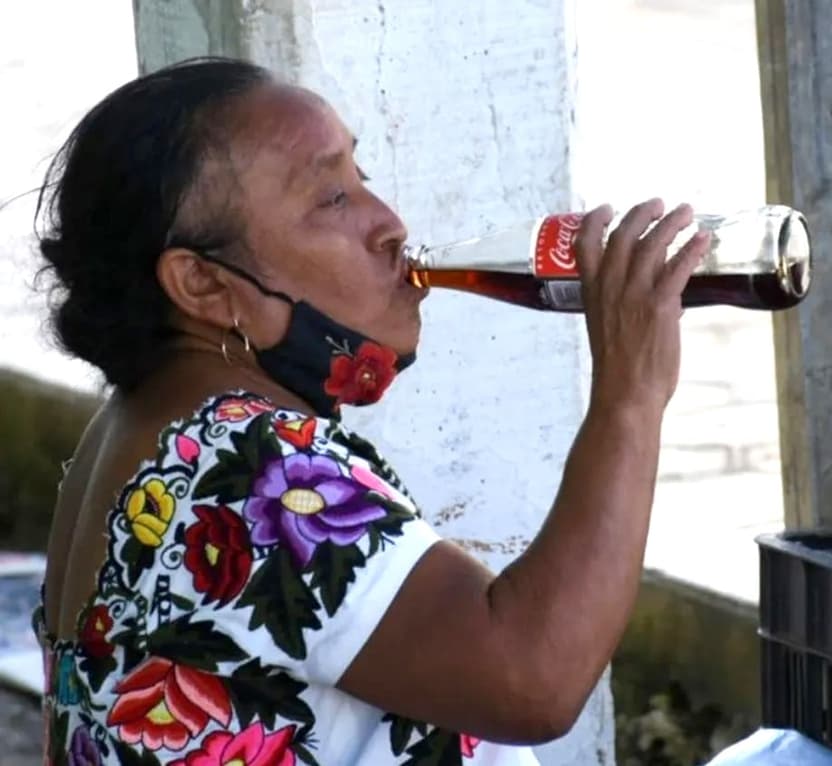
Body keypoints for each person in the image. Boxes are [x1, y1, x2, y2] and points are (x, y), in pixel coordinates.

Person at [32, 56, 709, 765]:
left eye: (363, 180)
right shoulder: (246, 466)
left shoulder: (144, 426)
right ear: (201, 282)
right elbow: (533, 678)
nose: (388, 226)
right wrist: (630, 398)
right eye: (330, 199)